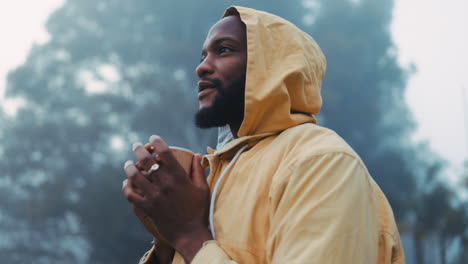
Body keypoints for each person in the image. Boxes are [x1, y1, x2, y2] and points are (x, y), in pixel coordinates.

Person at [122, 6, 405, 264]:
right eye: (203, 55)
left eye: (224, 50)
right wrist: (166, 241)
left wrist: (188, 234)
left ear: (274, 68)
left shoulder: (322, 161)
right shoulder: (216, 178)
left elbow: (196, 243)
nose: (202, 66)